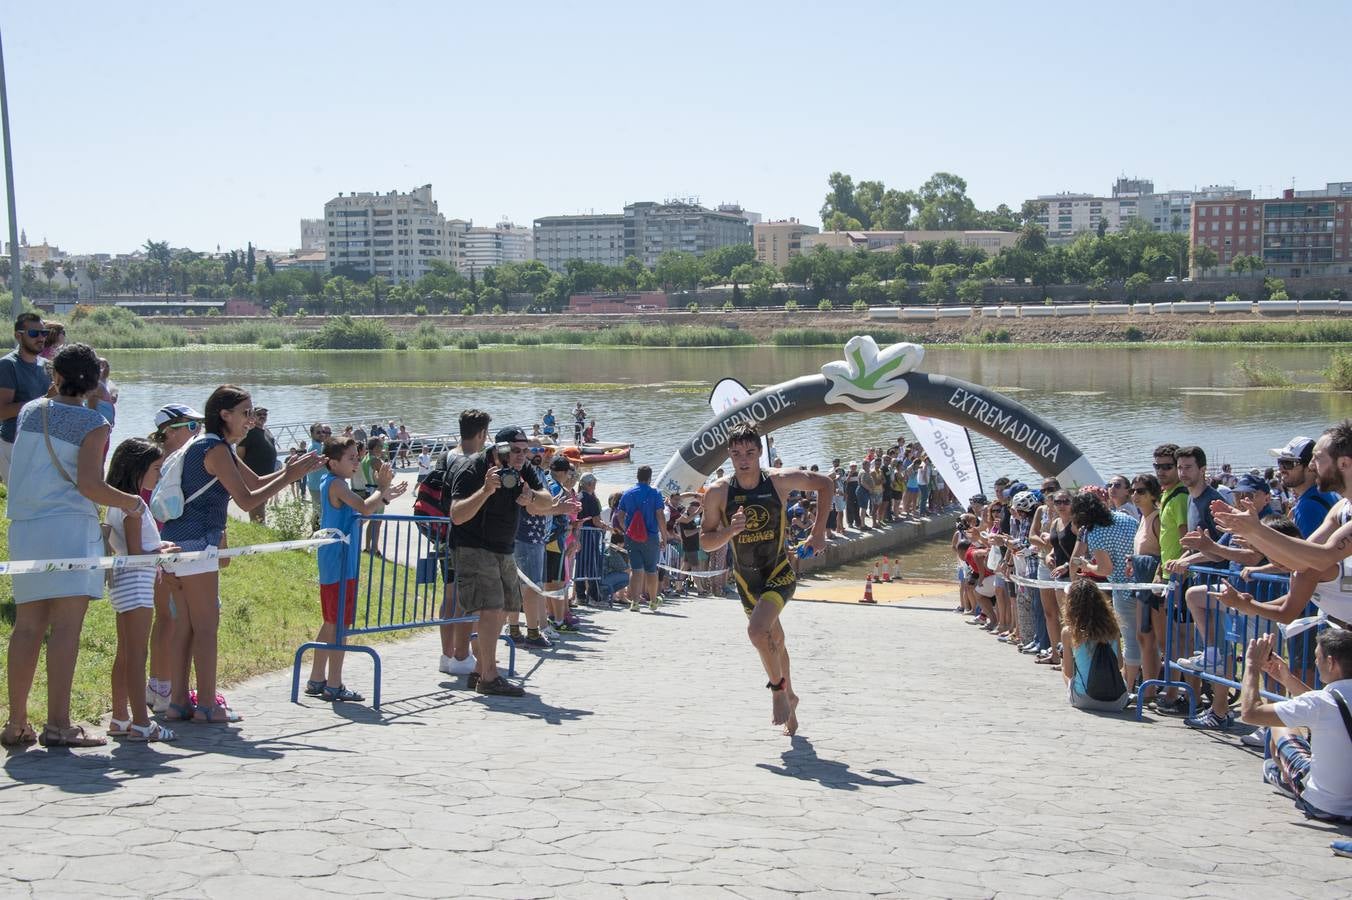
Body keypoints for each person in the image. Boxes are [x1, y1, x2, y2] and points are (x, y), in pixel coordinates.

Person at [1, 344, 144, 749]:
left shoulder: (31, 411)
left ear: (55, 375)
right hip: (68, 527)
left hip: (26, 526)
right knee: (66, 627)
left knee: (27, 626)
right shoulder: (93, 423)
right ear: (94, 382)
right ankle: (59, 724)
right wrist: (131, 502)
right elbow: (90, 486)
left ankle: (16, 722)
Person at [160, 385, 323, 723]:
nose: (251, 419)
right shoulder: (216, 448)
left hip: (177, 544)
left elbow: (258, 482)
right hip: (197, 545)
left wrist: (296, 471)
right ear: (225, 415)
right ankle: (207, 704)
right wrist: (290, 475)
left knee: (186, 627)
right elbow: (248, 500)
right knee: (205, 627)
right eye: (245, 413)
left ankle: (178, 703)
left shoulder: (215, 447)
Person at [700, 423, 829, 736]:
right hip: (746, 581)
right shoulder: (719, 492)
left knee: (757, 632)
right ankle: (791, 700)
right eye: (736, 453)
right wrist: (730, 531)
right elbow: (705, 541)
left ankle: (777, 691)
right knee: (774, 641)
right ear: (729, 455)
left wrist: (818, 530)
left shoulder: (779, 482)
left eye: (749, 452)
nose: (743, 459)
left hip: (778, 572)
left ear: (759, 452)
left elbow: (825, 484)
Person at [449, 421, 577, 696]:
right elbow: (457, 515)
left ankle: (480, 670)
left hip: (503, 547)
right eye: (516, 450)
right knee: (490, 609)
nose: (523, 455)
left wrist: (531, 495)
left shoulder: (524, 468)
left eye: (525, 450)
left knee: (503, 610)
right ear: (500, 449)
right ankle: (489, 676)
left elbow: (545, 502)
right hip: (473, 547)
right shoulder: (473, 468)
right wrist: (485, 491)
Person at [305, 436, 407, 704]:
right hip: (339, 564)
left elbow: (359, 517)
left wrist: (384, 495)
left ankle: (317, 678)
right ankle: (334, 684)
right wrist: (382, 487)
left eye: (356, 456)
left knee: (331, 621)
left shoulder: (336, 484)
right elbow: (363, 507)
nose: (355, 462)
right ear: (332, 462)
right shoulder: (337, 484)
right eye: (351, 458)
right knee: (340, 624)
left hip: (337, 562)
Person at [104, 438, 180, 742]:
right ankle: (140, 722)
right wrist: (159, 554)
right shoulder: (132, 504)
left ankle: (120, 717)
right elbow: (137, 552)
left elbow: (136, 546)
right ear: (138, 468)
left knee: (125, 653)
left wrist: (156, 547)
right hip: (137, 583)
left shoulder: (119, 503)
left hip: (126, 582)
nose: (159, 474)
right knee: (136, 655)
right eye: (156, 468)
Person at [1240, 629, 1352, 823]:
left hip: (1323, 805)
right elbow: (1332, 706)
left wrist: (1252, 666)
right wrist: (1286, 678)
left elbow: (1251, 713)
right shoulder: (1324, 702)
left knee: (1279, 726)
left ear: (1331, 662)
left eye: (1317, 657)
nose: (1315, 663)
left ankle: (1285, 777)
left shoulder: (1320, 703)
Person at [144, 402, 206, 713]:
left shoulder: (184, 460)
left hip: (173, 545)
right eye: (193, 427)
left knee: (178, 620)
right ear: (168, 431)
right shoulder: (155, 461)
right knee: (168, 618)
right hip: (156, 548)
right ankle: (161, 687)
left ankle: (170, 687)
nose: (199, 433)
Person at [1069, 490, 1140, 692]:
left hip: (1123, 586)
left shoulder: (1096, 533)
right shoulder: (1126, 519)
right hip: (1142, 579)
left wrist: (1086, 565)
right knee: (1145, 636)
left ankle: (1128, 685)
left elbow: (1104, 569)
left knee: (1130, 639)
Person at [0, 313, 53, 486]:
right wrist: (45, 399)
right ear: (18, 335)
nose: (40, 338)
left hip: (44, 444)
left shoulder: (47, 365)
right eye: (33, 333)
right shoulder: (8, 365)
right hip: (14, 444)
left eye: (44, 333)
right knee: (26, 505)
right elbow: (2, 411)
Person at [1060, 580, 1130, 711]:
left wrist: (1063, 658)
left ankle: (1080, 692)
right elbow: (1119, 664)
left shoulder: (1069, 632)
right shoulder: (1113, 628)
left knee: (1064, 669)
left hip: (1084, 700)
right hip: (1117, 701)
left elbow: (1069, 672)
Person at [618, 465, 670, 612]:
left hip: (632, 537)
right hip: (650, 536)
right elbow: (660, 516)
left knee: (635, 569)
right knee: (651, 570)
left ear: (637, 476)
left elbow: (619, 516)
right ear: (649, 477)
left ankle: (634, 602)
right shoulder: (655, 493)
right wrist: (664, 536)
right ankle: (653, 601)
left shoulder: (627, 493)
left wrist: (626, 530)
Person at [1270, 436, 1339, 538]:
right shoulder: (1329, 492)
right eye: (1280, 462)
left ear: (1311, 467)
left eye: (1288, 463)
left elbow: (1306, 553)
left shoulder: (1308, 507)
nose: (1280, 468)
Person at [238, 406, 279, 523]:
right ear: (252, 416)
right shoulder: (248, 433)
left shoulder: (267, 431)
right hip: (254, 479)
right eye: (259, 414)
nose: (262, 416)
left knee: (263, 505)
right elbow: (239, 456)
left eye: (264, 414)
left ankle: (260, 526)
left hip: (267, 478)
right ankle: (257, 529)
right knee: (256, 508)